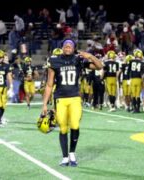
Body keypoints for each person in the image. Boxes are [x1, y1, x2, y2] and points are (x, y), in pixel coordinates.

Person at [42, 39, 102, 167]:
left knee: (75, 125)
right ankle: (64, 157)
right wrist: (44, 104)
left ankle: (72, 153)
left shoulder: (78, 60)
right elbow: (49, 84)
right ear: (62, 47)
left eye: (70, 45)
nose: (68, 47)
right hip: (60, 99)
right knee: (63, 127)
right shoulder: (54, 60)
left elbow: (100, 66)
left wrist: (90, 56)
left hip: (75, 98)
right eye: (65, 45)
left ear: (74, 48)